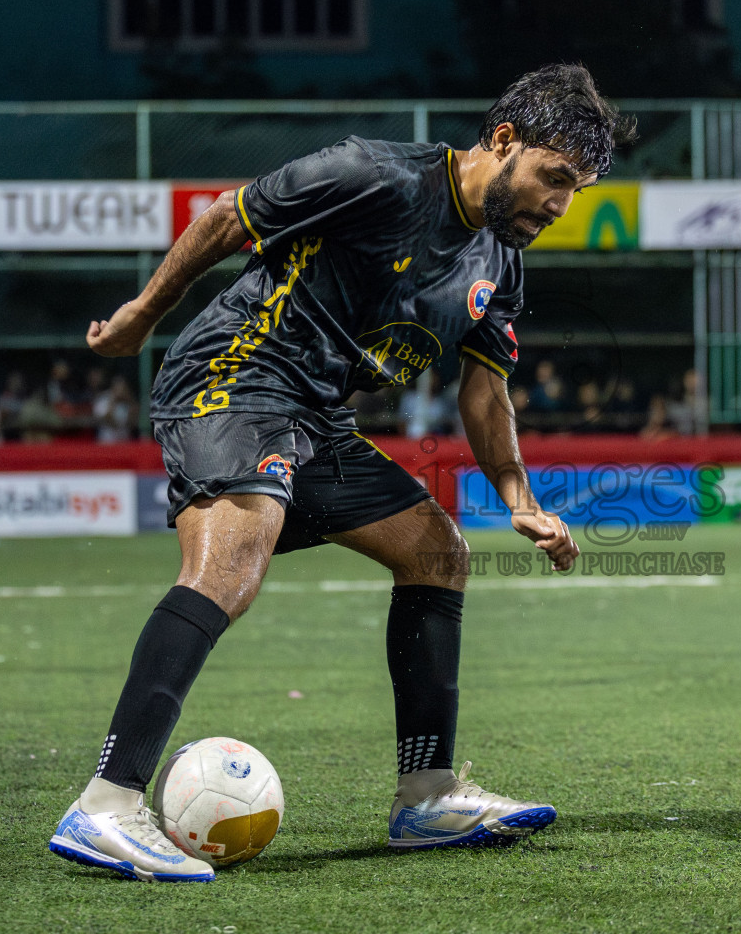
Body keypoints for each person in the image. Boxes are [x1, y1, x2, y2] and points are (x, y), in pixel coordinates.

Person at [49, 64, 635, 882]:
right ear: (503, 141)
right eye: (555, 178)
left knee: (437, 551)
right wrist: (139, 318)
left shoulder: (499, 257)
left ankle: (425, 798)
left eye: (578, 189)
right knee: (230, 564)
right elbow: (227, 218)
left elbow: (485, 387)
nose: (561, 204)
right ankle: (106, 806)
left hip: (318, 418)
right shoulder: (377, 176)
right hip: (236, 373)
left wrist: (519, 499)